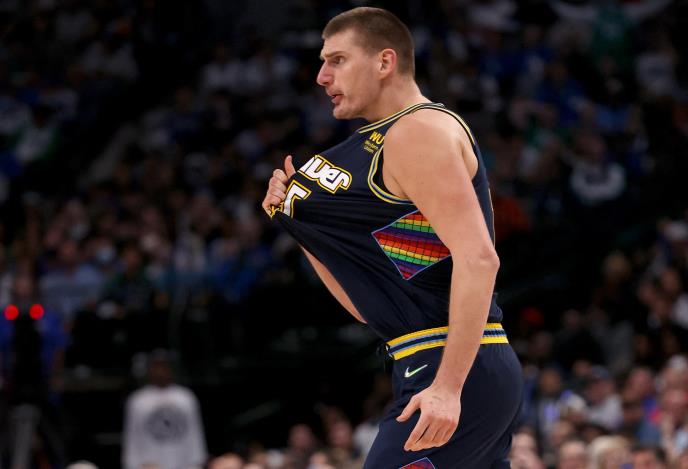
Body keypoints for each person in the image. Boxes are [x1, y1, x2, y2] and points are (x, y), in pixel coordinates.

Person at [261, 7, 522, 468]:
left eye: (337, 60)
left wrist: (448, 387)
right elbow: (370, 304)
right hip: (436, 360)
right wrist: (298, 223)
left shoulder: (416, 131)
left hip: (452, 364)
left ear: (384, 62)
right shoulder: (397, 141)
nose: (322, 76)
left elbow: (480, 259)